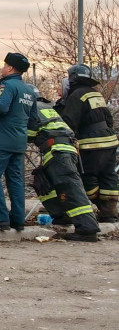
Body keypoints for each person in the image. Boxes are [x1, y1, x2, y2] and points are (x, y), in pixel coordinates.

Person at [0, 52, 38, 231]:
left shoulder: (7, 85)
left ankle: (0, 218)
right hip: (19, 142)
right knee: (16, 180)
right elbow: (33, 119)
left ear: (11, 68)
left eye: (4, 65)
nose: (2, 67)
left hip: (1, 141)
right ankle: (18, 219)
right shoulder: (29, 90)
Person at [29, 101, 100, 241]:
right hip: (63, 150)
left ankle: (88, 228)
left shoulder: (30, 108)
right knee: (43, 184)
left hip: (58, 151)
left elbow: (29, 133)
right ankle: (62, 216)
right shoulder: (45, 107)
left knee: (70, 188)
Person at [56, 64, 118, 223]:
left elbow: (69, 122)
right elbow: (109, 120)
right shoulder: (95, 94)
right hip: (109, 142)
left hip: (91, 144)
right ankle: (109, 213)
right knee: (108, 176)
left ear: (73, 78)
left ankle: (94, 207)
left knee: (87, 176)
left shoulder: (76, 95)